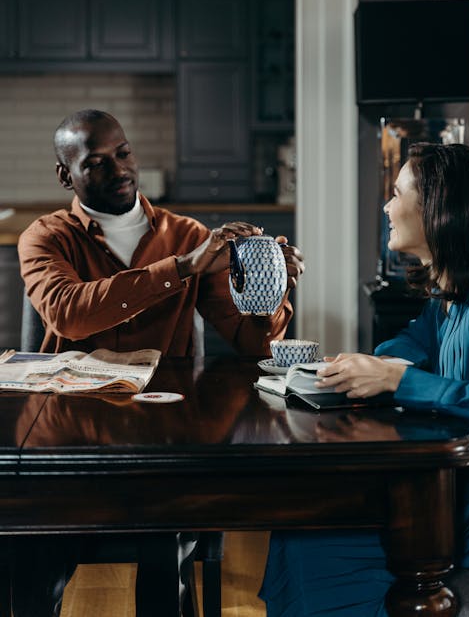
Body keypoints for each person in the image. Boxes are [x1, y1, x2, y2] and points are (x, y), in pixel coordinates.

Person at [16, 108, 305, 617]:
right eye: (97, 163)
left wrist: (271, 295)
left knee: (162, 541)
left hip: (162, 436)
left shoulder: (186, 232)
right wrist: (183, 269)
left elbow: (252, 345)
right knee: (32, 553)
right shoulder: (45, 236)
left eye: (123, 154)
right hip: (67, 444)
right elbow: (70, 313)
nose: (119, 169)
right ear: (66, 175)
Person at [260, 142, 469, 617]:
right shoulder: (452, 297)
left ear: (436, 208)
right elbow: (414, 341)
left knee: (310, 539)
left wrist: (396, 380)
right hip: (446, 499)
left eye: (396, 193)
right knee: (295, 527)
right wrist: (367, 364)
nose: (386, 207)